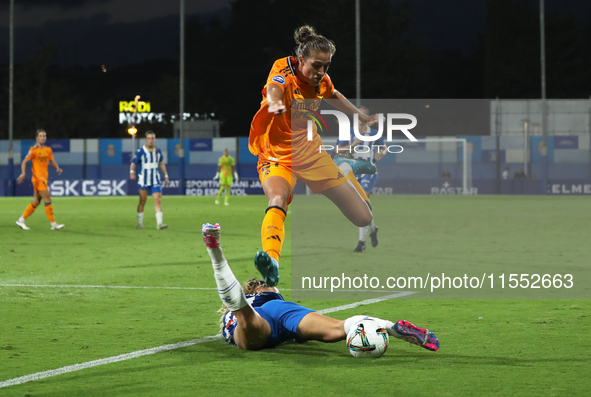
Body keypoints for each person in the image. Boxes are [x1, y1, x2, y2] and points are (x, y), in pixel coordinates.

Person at [248, 25, 379, 286]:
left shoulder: (322, 82)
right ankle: (272, 261)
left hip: (312, 156)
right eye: (316, 66)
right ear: (300, 61)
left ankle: (343, 166)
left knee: (364, 217)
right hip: (277, 157)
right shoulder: (283, 69)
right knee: (277, 198)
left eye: (326, 67)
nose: (321, 72)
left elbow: (335, 94)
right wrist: (274, 103)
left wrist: (361, 117)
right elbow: (274, 87)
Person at [202, 223, 440, 352]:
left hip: (261, 316)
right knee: (338, 328)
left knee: (243, 316)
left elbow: (244, 312)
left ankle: (215, 251)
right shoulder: (273, 296)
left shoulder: (248, 301)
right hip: (282, 309)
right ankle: (389, 326)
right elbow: (300, 337)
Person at [335, 106, 386, 253]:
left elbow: (384, 148)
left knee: (363, 202)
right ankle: (373, 228)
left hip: (368, 170)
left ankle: (361, 242)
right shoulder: (348, 132)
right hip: (352, 171)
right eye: (359, 115)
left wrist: (381, 154)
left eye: (364, 115)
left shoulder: (374, 133)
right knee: (358, 206)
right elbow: (338, 150)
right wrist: (353, 144)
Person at [15, 129, 65, 230]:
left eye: (44, 136)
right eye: (41, 136)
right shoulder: (33, 150)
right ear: (36, 138)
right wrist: (23, 173)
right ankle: (53, 224)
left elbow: (52, 161)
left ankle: (20, 221)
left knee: (36, 202)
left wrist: (57, 168)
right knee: (48, 199)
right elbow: (24, 162)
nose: (43, 137)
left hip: (44, 178)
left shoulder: (48, 150)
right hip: (38, 179)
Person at [130, 131, 169, 229]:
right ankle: (139, 223)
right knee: (142, 202)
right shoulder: (141, 152)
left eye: (152, 138)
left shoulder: (158, 151)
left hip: (155, 180)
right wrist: (131, 172)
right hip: (143, 181)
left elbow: (161, 163)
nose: (151, 140)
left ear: (154, 139)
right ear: (146, 139)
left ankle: (159, 224)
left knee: (157, 201)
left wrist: (166, 176)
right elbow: (133, 163)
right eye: (149, 138)